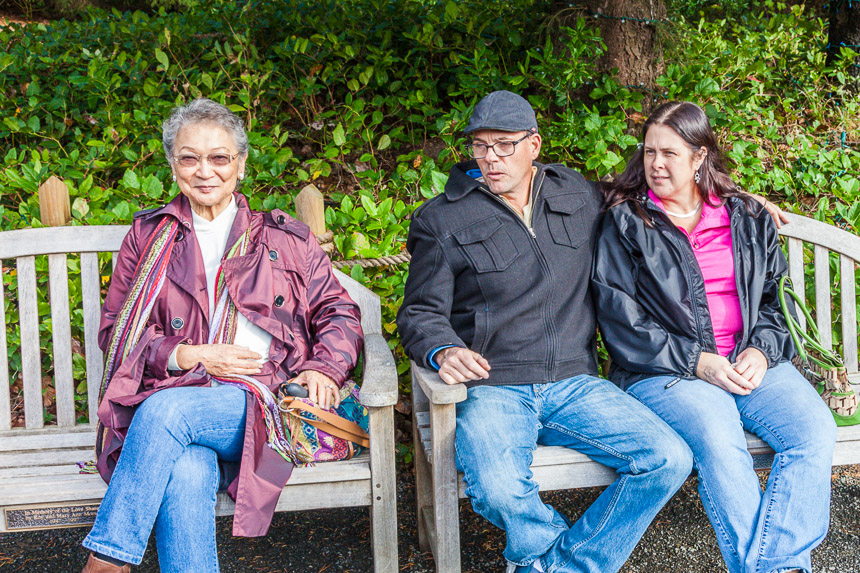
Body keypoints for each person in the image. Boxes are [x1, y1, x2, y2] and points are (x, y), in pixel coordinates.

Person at [397, 90, 695, 573]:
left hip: (576, 382)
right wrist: (442, 348)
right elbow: (418, 313)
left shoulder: (577, 193)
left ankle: (558, 566)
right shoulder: (442, 218)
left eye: (505, 145)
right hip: (495, 384)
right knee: (495, 487)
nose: (491, 158)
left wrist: (741, 199)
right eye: (480, 146)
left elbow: (664, 189)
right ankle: (550, 557)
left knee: (667, 458)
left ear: (534, 143)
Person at [80, 98, 363, 573]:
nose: (204, 171)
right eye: (189, 157)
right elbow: (116, 331)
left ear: (241, 164)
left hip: (263, 404)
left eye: (220, 157)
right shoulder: (147, 238)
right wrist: (188, 354)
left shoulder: (284, 239)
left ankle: (107, 560)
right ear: (173, 165)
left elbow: (338, 311)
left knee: (166, 410)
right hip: (179, 397)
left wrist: (323, 366)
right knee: (187, 469)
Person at [591, 101, 837, 573]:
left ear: (700, 156)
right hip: (665, 371)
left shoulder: (746, 216)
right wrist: (698, 361)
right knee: (720, 438)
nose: (656, 164)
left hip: (746, 363)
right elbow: (621, 320)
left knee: (812, 430)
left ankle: (778, 567)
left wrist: (761, 351)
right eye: (648, 152)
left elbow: (774, 301)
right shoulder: (626, 221)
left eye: (670, 154)